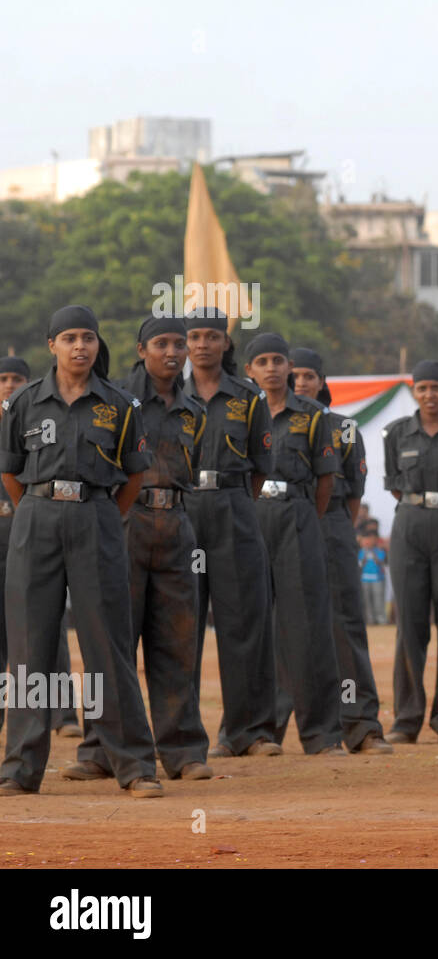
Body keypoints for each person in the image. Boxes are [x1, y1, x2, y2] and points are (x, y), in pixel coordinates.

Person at [0, 305, 162, 797]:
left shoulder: (120, 404)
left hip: (97, 517)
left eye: (87, 337)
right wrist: (34, 510)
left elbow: (135, 473)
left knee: (107, 643)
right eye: (68, 337)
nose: (79, 346)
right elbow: (9, 469)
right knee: (29, 648)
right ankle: (19, 768)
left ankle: (134, 765)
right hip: (37, 519)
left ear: (98, 344)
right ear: (51, 345)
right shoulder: (23, 403)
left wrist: (107, 517)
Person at [65, 314, 212, 783]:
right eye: (162, 344)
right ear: (140, 349)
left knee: (178, 641)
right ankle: (99, 750)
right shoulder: (116, 401)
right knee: (111, 640)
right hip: (123, 523)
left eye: (180, 344)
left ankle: (184, 750)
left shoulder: (195, 411)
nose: (173, 352)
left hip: (177, 526)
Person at [183, 308, 281, 758]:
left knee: (243, 620)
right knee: (178, 626)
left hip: (233, 508)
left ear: (226, 343)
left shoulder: (249, 397)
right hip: (180, 511)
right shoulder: (163, 398)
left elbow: (261, 469)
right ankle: (180, 734)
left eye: (213, 336)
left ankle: (249, 731)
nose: (203, 344)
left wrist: (230, 497)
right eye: (195, 336)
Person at [244, 333, 346, 756]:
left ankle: (321, 733)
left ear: (289, 367)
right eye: (262, 361)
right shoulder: (241, 411)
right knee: (250, 625)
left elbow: (326, 480)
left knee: (307, 624)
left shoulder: (313, 415)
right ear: (249, 370)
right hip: (251, 515)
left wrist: (304, 516)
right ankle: (253, 732)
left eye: (278, 360)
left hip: (298, 513)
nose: (271, 368)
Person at [290, 347, 390, 755]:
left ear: (321, 381)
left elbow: (355, 494)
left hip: (330, 523)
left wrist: (330, 525)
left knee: (344, 625)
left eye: (308, 376)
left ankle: (360, 725)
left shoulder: (344, 427)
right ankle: (258, 732)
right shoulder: (264, 423)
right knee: (278, 624)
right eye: (293, 374)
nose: (300, 382)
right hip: (279, 522)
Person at [382, 360, 438, 746]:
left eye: (436, 388)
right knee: (410, 626)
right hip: (411, 525)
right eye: (422, 389)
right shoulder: (397, 433)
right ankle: (406, 720)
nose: (429, 395)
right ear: (413, 392)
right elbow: (395, 486)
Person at [0, 357, 31, 741]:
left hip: (26, 535)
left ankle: (57, 715)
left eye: (16, 379)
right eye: (3, 378)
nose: (9, 385)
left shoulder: (35, 423)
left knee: (28, 636)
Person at [358, 522, 388, 626]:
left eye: (371, 539)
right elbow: (360, 565)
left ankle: (381, 619)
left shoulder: (379, 551)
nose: (369, 541)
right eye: (367, 539)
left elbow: (381, 562)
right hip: (365, 580)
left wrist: (374, 555)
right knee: (367, 601)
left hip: (378, 579)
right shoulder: (361, 552)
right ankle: (370, 620)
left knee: (378, 600)